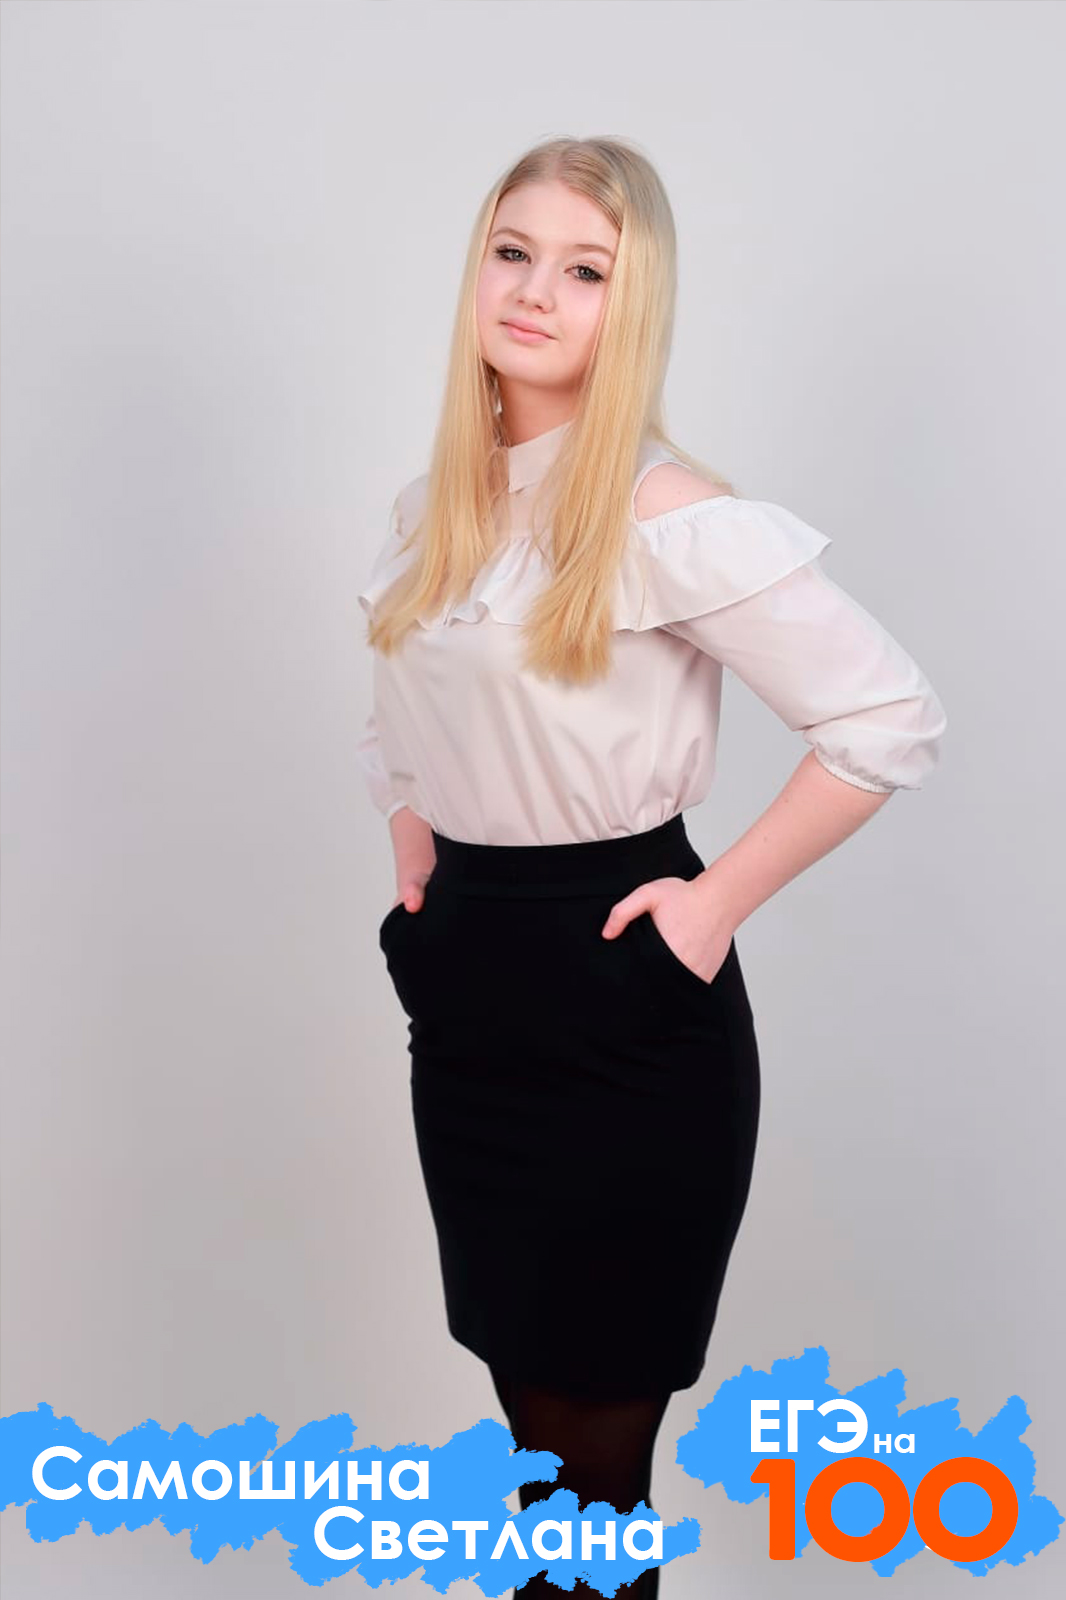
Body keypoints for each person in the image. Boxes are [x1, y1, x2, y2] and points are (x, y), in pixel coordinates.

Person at [355, 137, 946, 1599]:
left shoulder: (658, 511)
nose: (534, 291)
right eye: (512, 252)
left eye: (585, 270)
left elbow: (886, 716)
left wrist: (713, 902)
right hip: (473, 1003)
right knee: (535, 1465)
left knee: (594, 1478)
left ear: (634, 306)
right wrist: (421, 860)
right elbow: (401, 721)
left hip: (620, 1002)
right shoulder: (433, 511)